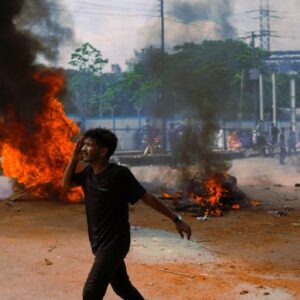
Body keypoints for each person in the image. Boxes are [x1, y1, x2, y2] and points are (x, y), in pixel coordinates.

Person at [62, 128, 192, 300]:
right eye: (83, 145)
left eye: (88, 145)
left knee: (91, 293)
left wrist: (176, 219)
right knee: (122, 287)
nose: (83, 149)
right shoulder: (88, 174)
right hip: (98, 241)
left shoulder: (119, 174)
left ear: (103, 151)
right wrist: (73, 158)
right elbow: (66, 184)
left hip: (115, 243)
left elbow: (147, 197)